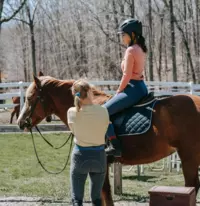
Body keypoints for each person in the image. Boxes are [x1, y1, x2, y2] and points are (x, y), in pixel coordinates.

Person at [103, 19, 148, 157]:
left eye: (123, 34)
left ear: (132, 34)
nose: (122, 37)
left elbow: (127, 75)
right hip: (141, 87)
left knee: (103, 112)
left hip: (133, 88)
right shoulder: (140, 49)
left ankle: (114, 145)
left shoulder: (130, 50)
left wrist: (119, 91)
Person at [67, 79, 110, 206]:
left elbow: (74, 131)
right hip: (99, 157)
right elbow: (104, 129)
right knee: (97, 198)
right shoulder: (103, 111)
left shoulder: (71, 112)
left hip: (80, 156)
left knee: (77, 198)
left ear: (75, 95)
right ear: (91, 91)